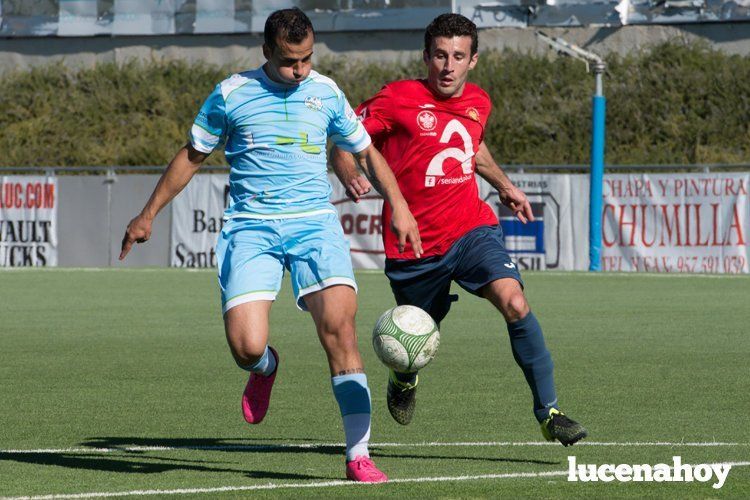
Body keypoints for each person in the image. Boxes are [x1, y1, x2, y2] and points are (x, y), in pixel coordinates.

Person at [119, 7, 422, 482]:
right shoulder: (231, 94)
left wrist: (398, 204)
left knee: (340, 330)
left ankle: (358, 455)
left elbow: (365, 151)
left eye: (306, 59)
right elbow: (192, 154)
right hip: (250, 228)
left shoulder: (326, 92)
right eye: (288, 61)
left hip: (314, 226)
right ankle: (264, 368)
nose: (299, 70)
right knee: (245, 345)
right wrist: (147, 214)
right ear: (266, 51)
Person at [331, 13, 587, 446]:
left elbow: (473, 147)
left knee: (515, 302)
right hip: (414, 245)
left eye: (458, 57)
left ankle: (549, 412)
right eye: (440, 56)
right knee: (413, 336)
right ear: (426, 56)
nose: (448, 66)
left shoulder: (479, 102)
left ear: (473, 61)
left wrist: (505, 187)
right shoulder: (396, 98)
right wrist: (346, 170)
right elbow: (344, 138)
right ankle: (404, 377)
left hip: (471, 229)